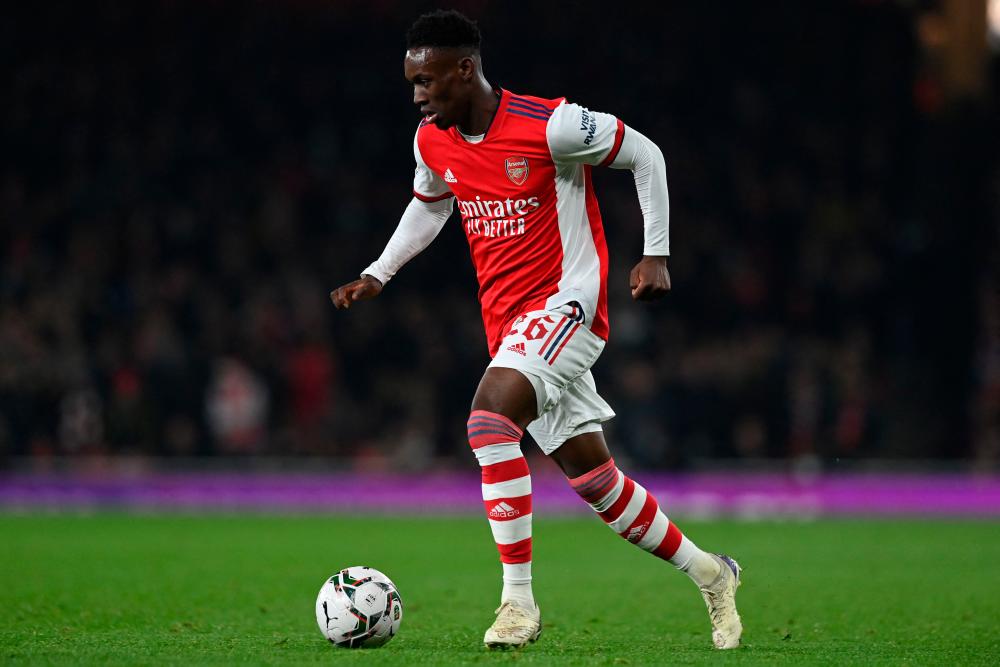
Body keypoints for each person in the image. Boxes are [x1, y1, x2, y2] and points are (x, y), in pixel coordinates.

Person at [330, 9, 743, 650]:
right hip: (511, 326)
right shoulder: (432, 141)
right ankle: (714, 574)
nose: (416, 95)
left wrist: (655, 251)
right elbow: (429, 205)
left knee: (488, 419)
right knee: (596, 484)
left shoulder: (550, 124)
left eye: (427, 81)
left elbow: (646, 154)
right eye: (411, 82)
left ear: (464, 70)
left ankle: (517, 604)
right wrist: (378, 273)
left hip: (568, 306)